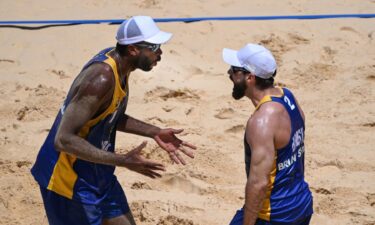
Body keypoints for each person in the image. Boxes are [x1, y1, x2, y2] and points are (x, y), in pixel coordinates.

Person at [31, 15, 196, 225]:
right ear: (133, 49)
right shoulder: (101, 79)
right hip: (68, 182)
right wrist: (123, 161)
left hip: (98, 174)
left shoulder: (122, 68)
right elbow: (63, 140)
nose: (160, 54)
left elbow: (108, 115)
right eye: (154, 48)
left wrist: (154, 131)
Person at [222, 43, 313, 225]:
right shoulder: (287, 96)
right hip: (301, 204)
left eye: (234, 70)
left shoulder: (260, 122)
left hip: (275, 215)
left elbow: (259, 184)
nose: (229, 74)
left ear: (249, 77)